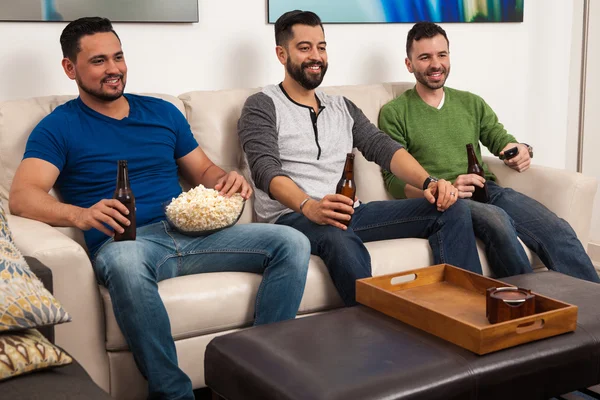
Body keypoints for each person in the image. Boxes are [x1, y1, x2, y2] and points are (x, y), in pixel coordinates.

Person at [9, 17, 311, 400]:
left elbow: (203, 169)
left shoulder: (162, 113)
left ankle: (254, 374)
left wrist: (227, 178)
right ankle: (173, 394)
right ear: (70, 68)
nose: (114, 69)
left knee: (292, 242)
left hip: (192, 233)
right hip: (129, 242)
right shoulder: (58, 127)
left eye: (118, 57)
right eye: (98, 61)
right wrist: (80, 215)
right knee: (125, 264)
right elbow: (23, 196)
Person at [238, 10, 489, 308]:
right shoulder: (261, 105)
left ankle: (464, 311)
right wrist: (310, 206)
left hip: (350, 213)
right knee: (336, 235)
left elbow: (382, 147)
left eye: (321, 46)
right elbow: (265, 170)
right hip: (293, 218)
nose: (316, 56)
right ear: (282, 54)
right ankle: (376, 333)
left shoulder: (341, 106)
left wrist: (429, 182)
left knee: (450, 209)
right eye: (304, 48)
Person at [379, 21, 599, 283]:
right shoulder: (395, 113)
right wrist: (442, 188)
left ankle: (592, 308)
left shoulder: (470, 103)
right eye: (425, 57)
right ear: (409, 64)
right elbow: (393, 180)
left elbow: (500, 139)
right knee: (498, 222)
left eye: (442, 55)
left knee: (557, 229)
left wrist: (519, 150)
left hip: (487, 190)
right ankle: (532, 305)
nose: (435, 64)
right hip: (448, 202)